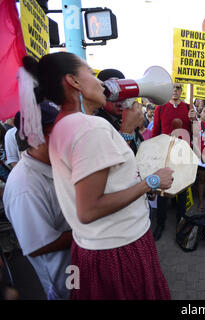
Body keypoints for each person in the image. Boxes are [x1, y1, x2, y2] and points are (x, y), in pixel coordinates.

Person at [22, 52, 173, 300]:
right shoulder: (91, 127)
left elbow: (108, 182)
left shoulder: (64, 124)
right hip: (120, 249)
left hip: (94, 248)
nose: (101, 83)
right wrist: (151, 182)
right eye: (91, 73)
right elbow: (89, 209)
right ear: (74, 81)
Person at [3, 102, 72, 300]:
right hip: (65, 280)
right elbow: (39, 245)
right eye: (57, 131)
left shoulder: (57, 164)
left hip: (79, 267)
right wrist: (86, 232)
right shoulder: (24, 186)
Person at [151, 82, 196, 241]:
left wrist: (194, 120)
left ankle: (181, 220)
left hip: (183, 154)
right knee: (163, 189)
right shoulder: (160, 108)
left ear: (182, 91)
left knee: (182, 188)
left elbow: (195, 133)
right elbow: (156, 132)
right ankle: (161, 223)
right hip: (165, 154)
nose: (175, 91)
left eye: (178, 88)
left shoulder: (188, 108)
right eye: (172, 88)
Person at [95, 69, 145, 155]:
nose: (119, 100)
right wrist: (127, 132)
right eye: (113, 95)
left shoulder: (126, 118)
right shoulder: (98, 124)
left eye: (123, 94)